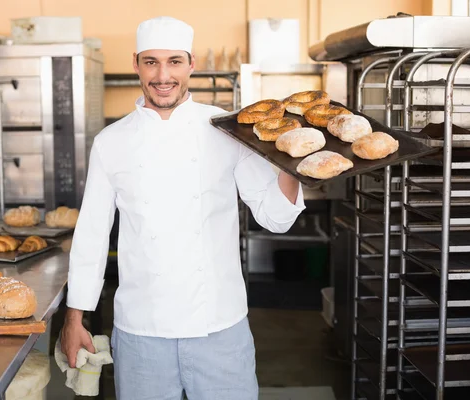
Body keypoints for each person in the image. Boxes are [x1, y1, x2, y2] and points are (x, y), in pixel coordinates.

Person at [61, 16, 305, 400]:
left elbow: (275, 217)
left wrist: (291, 159)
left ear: (191, 65)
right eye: (151, 62)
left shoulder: (227, 129)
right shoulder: (111, 142)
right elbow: (91, 235)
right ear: (136, 64)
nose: (163, 75)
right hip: (142, 332)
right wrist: (73, 319)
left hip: (221, 328)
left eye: (174, 61)